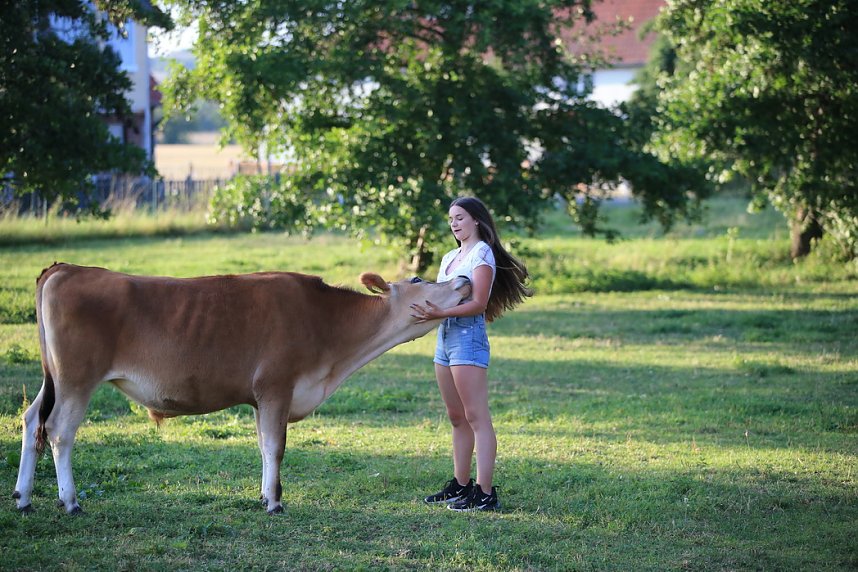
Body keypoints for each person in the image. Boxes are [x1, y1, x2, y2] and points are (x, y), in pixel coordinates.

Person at [410, 196, 531, 512]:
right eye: (451, 219)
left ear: (476, 219)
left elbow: (479, 303)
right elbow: (442, 295)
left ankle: (485, 493)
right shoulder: (450, 257)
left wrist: (440, 312)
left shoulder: (482, 253)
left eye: (460, 217)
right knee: (456, 416)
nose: (454, 223)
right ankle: (460, 485)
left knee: (476, 416)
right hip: (444, 339)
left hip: (468, 339)